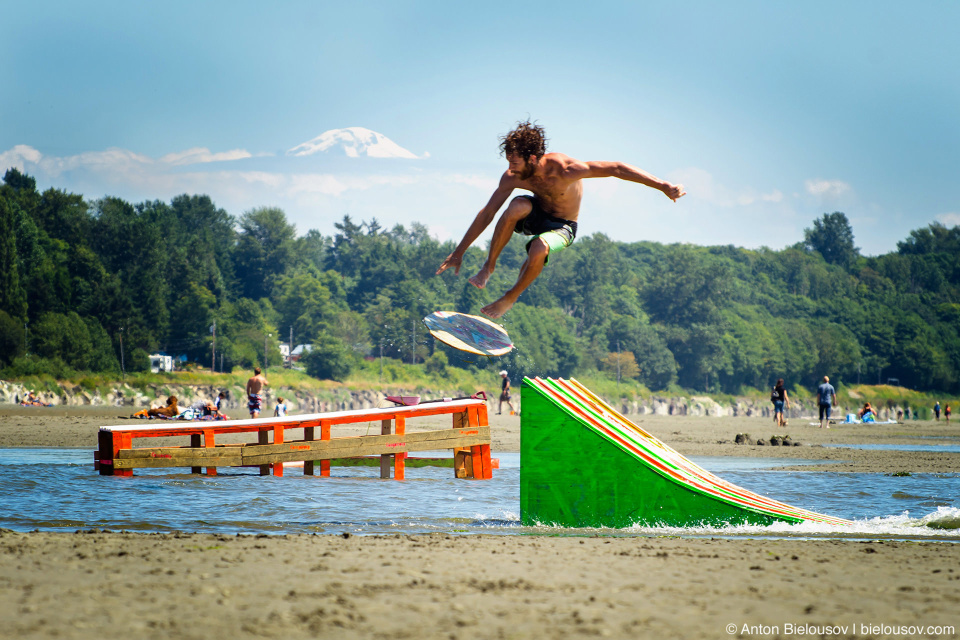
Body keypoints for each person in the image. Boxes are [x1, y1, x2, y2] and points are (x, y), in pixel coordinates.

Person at [436, 120, 685, 318]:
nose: (510, 169)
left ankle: (510, 297)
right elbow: (488, 212)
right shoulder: (513, 177)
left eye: (515, 162)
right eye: (508, 162)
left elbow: (616, 168)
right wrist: (459, 252)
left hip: (563, 226)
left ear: (532, 159)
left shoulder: (567, 169)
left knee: (539, 247)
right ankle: (489, 266)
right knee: (516, 205)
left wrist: (662, 185)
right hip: (535, 213)